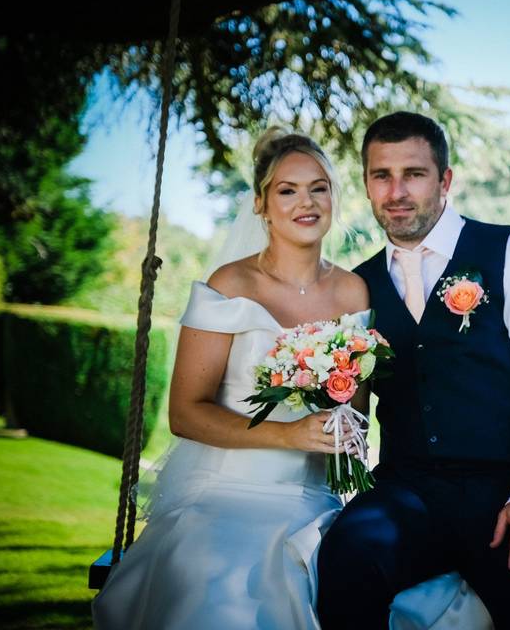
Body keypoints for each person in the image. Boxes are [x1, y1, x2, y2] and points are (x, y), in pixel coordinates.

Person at [92, 127, 484, 629]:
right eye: (287, 189)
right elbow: (185, 413)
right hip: (225, 495)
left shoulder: (354, 292)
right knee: (226, 592)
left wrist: (345, 431)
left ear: (335, 198)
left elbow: (355, 421)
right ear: (261, 203)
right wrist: (288, 432)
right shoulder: (230, 285)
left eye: (319, 187)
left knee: (423, 595)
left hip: (312, 501)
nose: (306, 202)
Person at [317, 112, 510, 630]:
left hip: (509, 485)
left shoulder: (508, 250)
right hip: (407, 492)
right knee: (345, 558)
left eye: (414, 174)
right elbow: (346, 407)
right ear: (367, 185)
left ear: (445, 181)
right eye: (381, 176)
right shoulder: (358, 286)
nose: (396, 191)